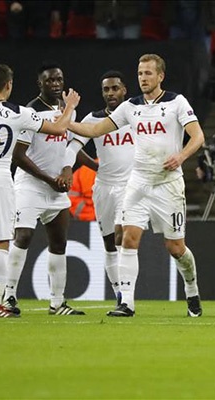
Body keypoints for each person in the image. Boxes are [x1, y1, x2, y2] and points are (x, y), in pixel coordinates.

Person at [69, 54, 206, 318]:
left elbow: (197, 136)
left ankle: (192, 288)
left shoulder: (176, 102)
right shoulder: (131, 107)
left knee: (176, 248)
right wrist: (65, 123)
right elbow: (96, 130)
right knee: (128, 238)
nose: (143, 78)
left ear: (160, 76)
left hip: (168, 184)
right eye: (140, 73)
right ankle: (127, 303)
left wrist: (181, 156)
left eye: (148, 73)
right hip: (139, 182)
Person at [0, 63, 79, 318]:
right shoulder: (29, 112)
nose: (56, 84)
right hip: (30, 186)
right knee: (22, 237)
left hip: (57, 187)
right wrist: (48, 178)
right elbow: (18, 155)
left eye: (59, 79)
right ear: (40, 84)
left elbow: (68, 146)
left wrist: (67, 169)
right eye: (50, 81)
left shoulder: (68, 112)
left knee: (59, 243)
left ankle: (57, 302)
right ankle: (9, 296)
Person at [64, 70, 135, 306]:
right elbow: (74, 146)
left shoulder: (136, 115)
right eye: (106, 89)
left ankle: (127, 297)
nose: (111, 93)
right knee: (108, 243)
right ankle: (119, 295)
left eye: (115, 88)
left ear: (124, 89)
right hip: (104, 186)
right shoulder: (93, 119)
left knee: (120, 233)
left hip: (129, 186)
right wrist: (67, 167)